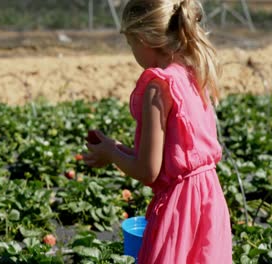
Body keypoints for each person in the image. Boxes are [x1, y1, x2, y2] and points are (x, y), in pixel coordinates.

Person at [82, 0, 232, 263]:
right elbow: (176, 159)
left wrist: (110, 154)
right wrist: (116, 147)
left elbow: (147, 170)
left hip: (180, 208)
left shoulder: (158, 86)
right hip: (209, 200)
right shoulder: (194, 73)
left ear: (143, 40)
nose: (132, 53)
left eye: (130, 45)